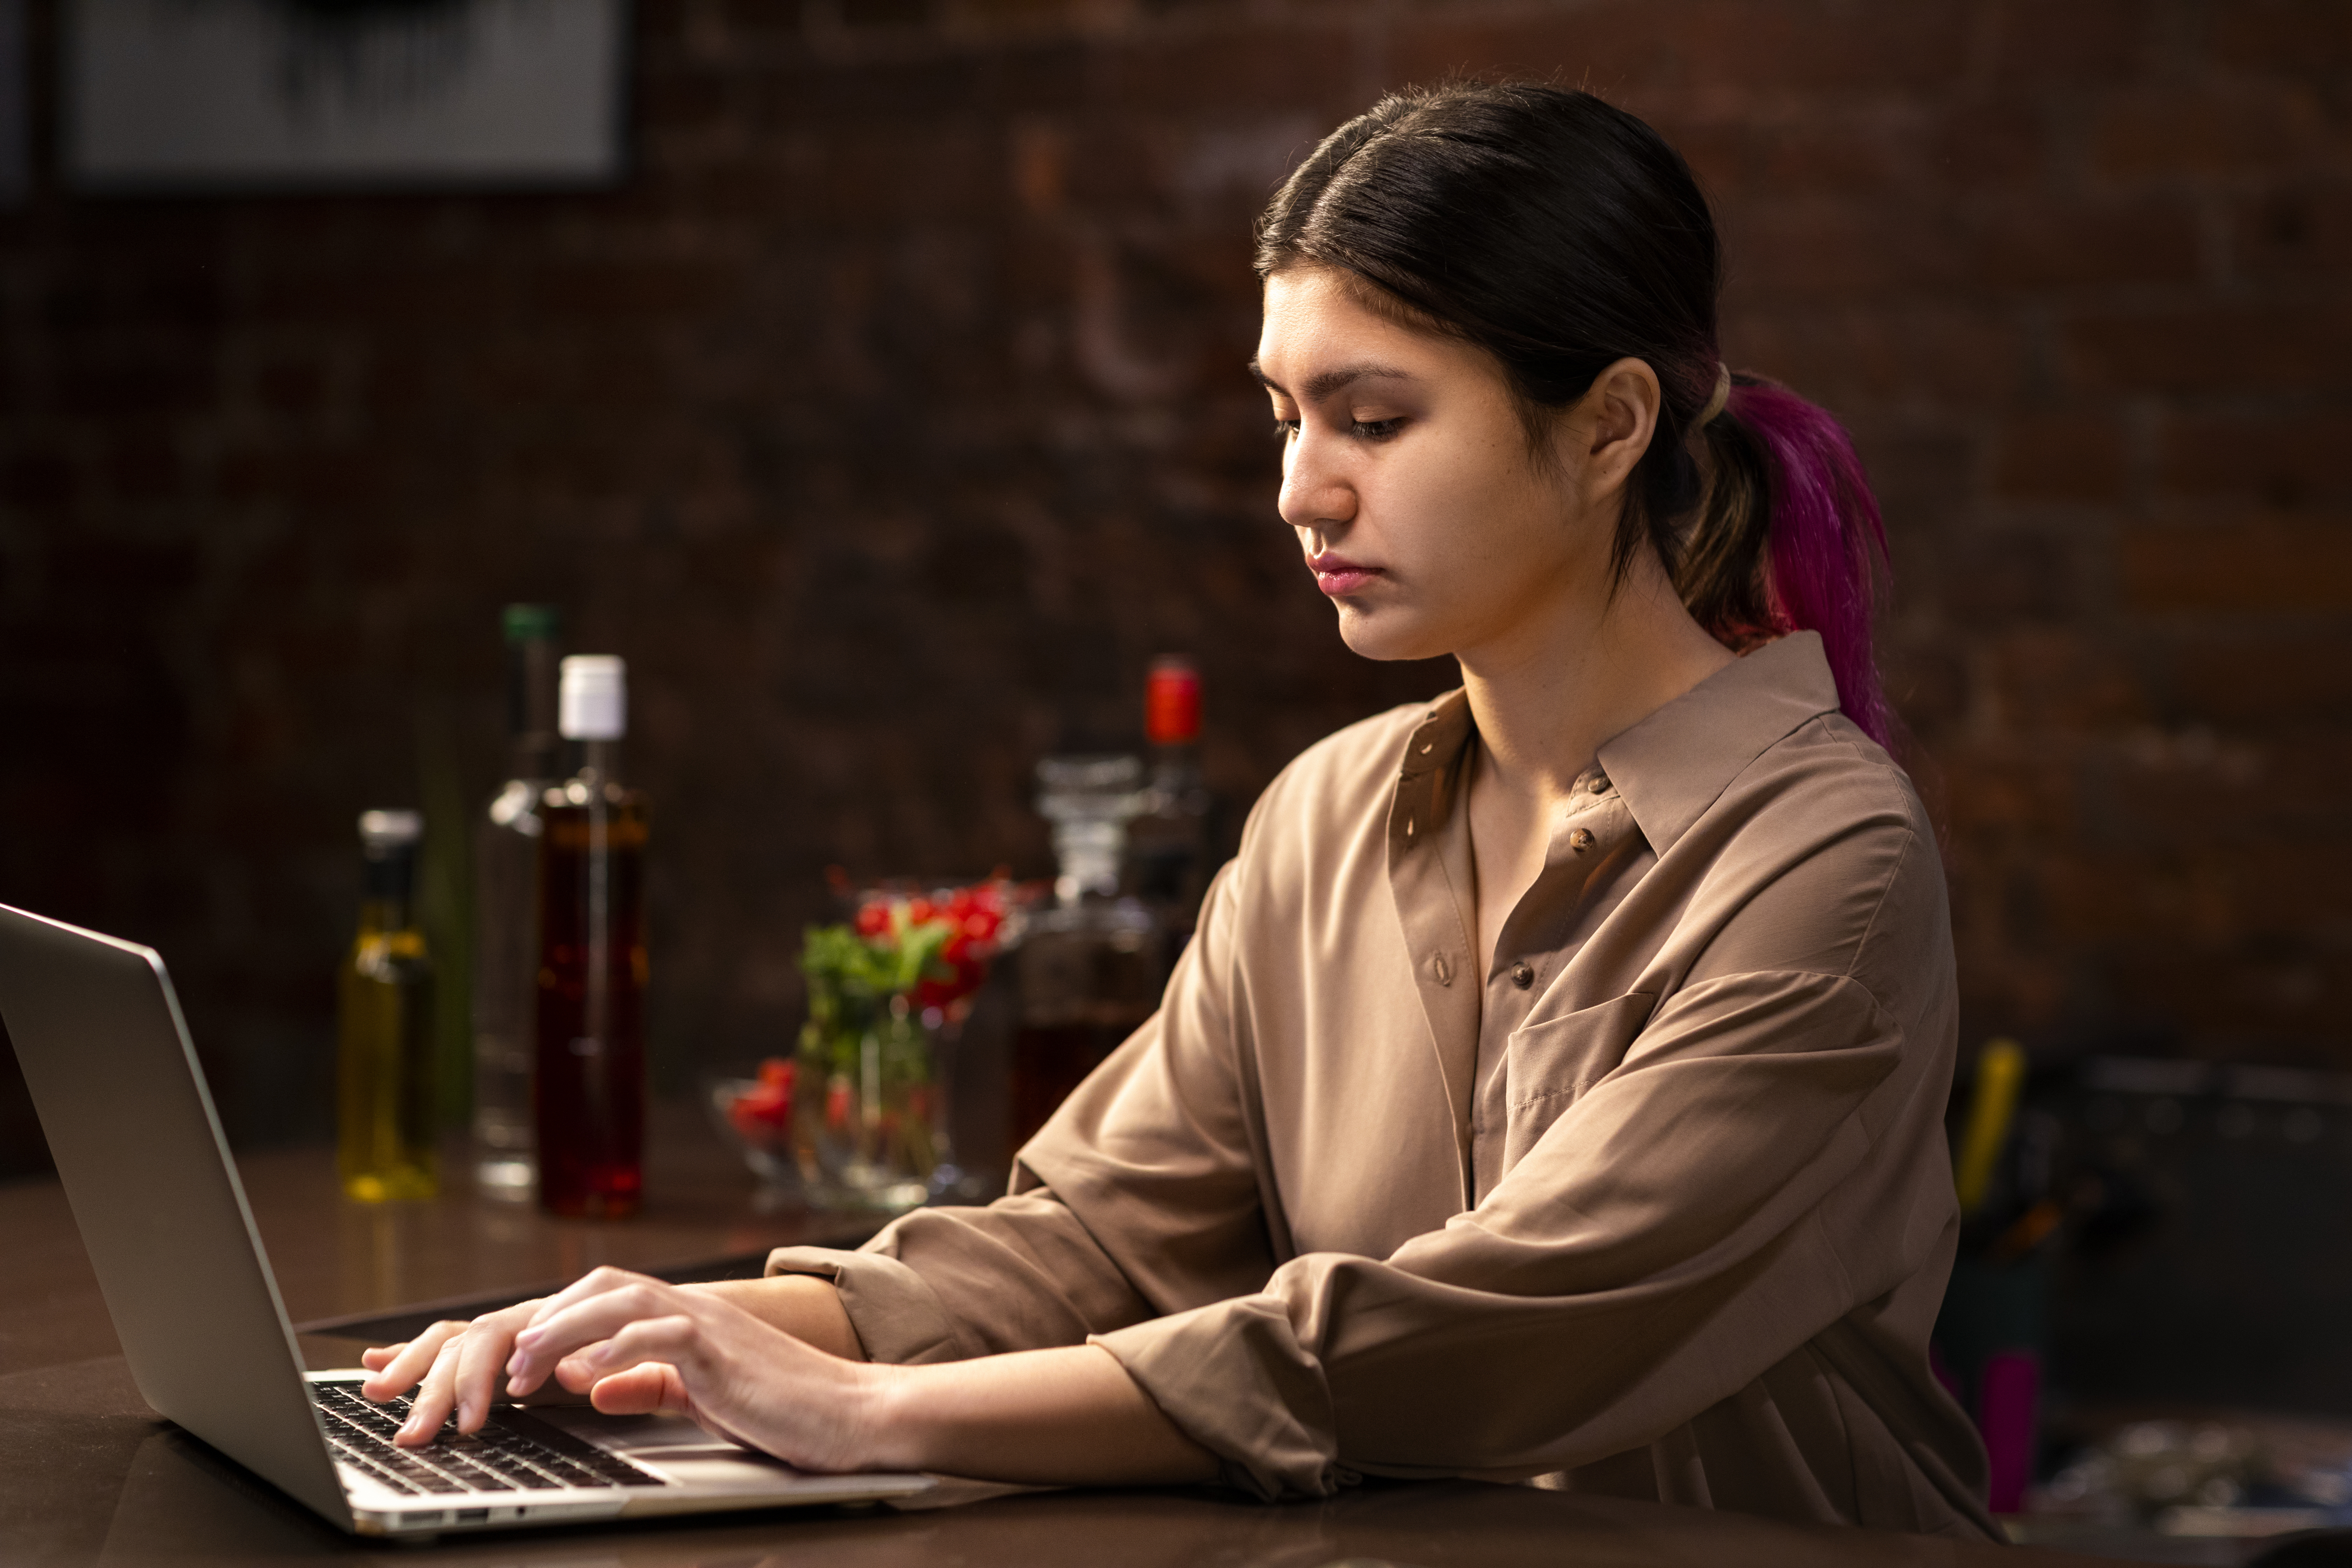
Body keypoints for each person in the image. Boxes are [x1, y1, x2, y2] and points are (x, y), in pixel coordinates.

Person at [363, 82, 1996, 1541]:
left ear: (1610, 425)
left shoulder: (1821, 860)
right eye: (1284, 416)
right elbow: (1085, 1241)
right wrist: (662, 1329)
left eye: (1374, 419)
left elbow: (1497, 1335)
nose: (1300, 489)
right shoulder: (1330, 818)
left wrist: (869, 1414)